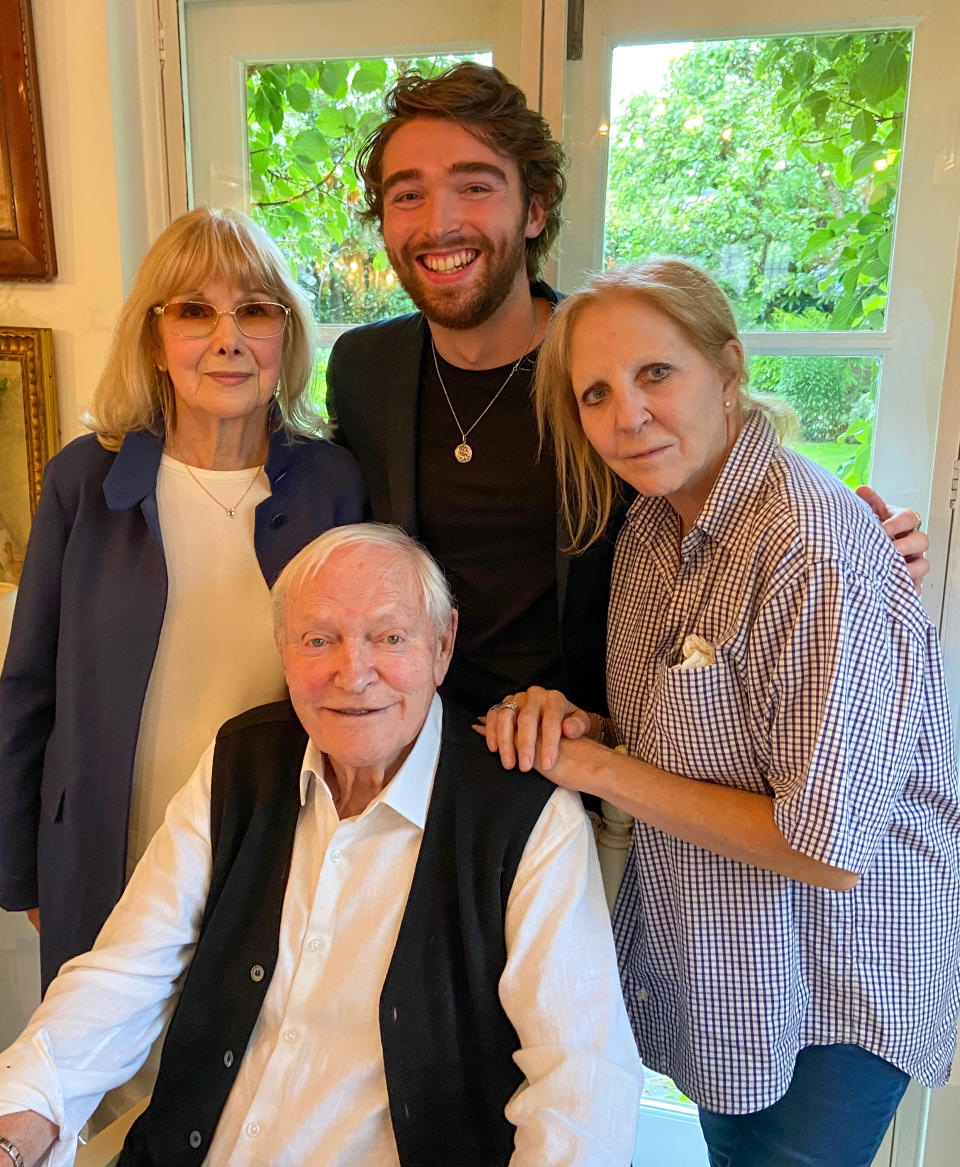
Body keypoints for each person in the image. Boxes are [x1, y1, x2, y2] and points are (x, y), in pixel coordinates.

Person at [482, 261, 960, 1167]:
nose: (627, 414)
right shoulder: (651, 532)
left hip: (833, 987)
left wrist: (595, 769)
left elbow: (821, 847)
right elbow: (696, 736)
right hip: (734, 972)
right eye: (596, 392)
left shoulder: (813, 544)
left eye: (656, 373)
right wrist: (588, 728)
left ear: (729, 368)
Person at [0, 524, 642, 1167]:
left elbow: (579, 1082)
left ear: (442, 647)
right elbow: (125, 973)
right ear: (283, 649)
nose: (353, 673)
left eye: (389, 638)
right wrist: (21, 1121)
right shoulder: (240, 762)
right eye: (319, 640)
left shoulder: (524, 814)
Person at [327, 61, 930, 717]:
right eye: (406, 195)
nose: (438, 223)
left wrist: (855, 543)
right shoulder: (363, 366)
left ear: (534, 210)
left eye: (474, 186)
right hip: (417, 732)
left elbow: (723, 470)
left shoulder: (603, 364)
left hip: (590, 743)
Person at [0, 207, 365, 992]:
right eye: (195, 310)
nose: (228, 338)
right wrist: (24, 869)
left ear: (285, 337)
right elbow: (28, 686)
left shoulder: (333, 482)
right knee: (114, 1084)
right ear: (155, 338)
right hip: (107, 842)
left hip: (272, 849)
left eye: (256, 310)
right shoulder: (84, 481)